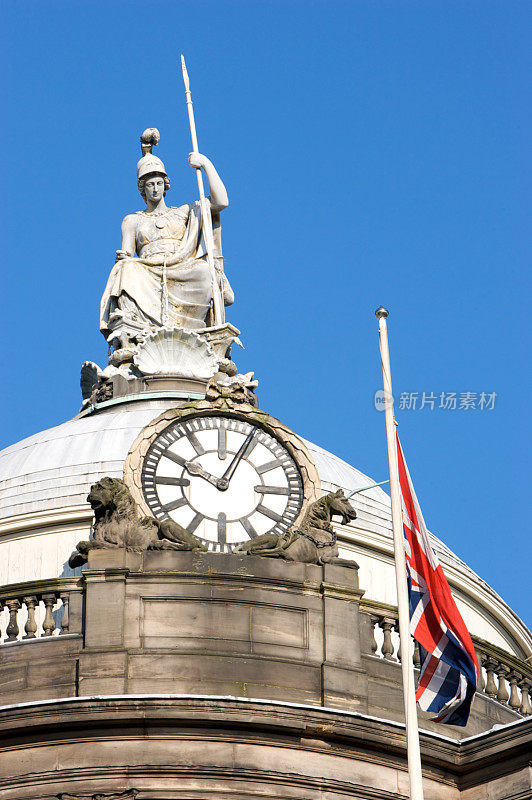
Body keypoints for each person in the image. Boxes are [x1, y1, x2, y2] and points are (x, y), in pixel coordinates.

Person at [100, 128, 233, 351]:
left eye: (159, 183)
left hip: (181, 266)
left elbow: (221, 202)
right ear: (142, 189)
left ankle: (194, 326)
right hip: (148, 269)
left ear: (166, 184)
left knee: (204, 271)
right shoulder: (132, 220)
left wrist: (206, 164)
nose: (155, 188)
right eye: (149, 184)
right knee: (125, 269)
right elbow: (127, 253)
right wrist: (123, 257)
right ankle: (134, 319)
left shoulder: (183, 212)